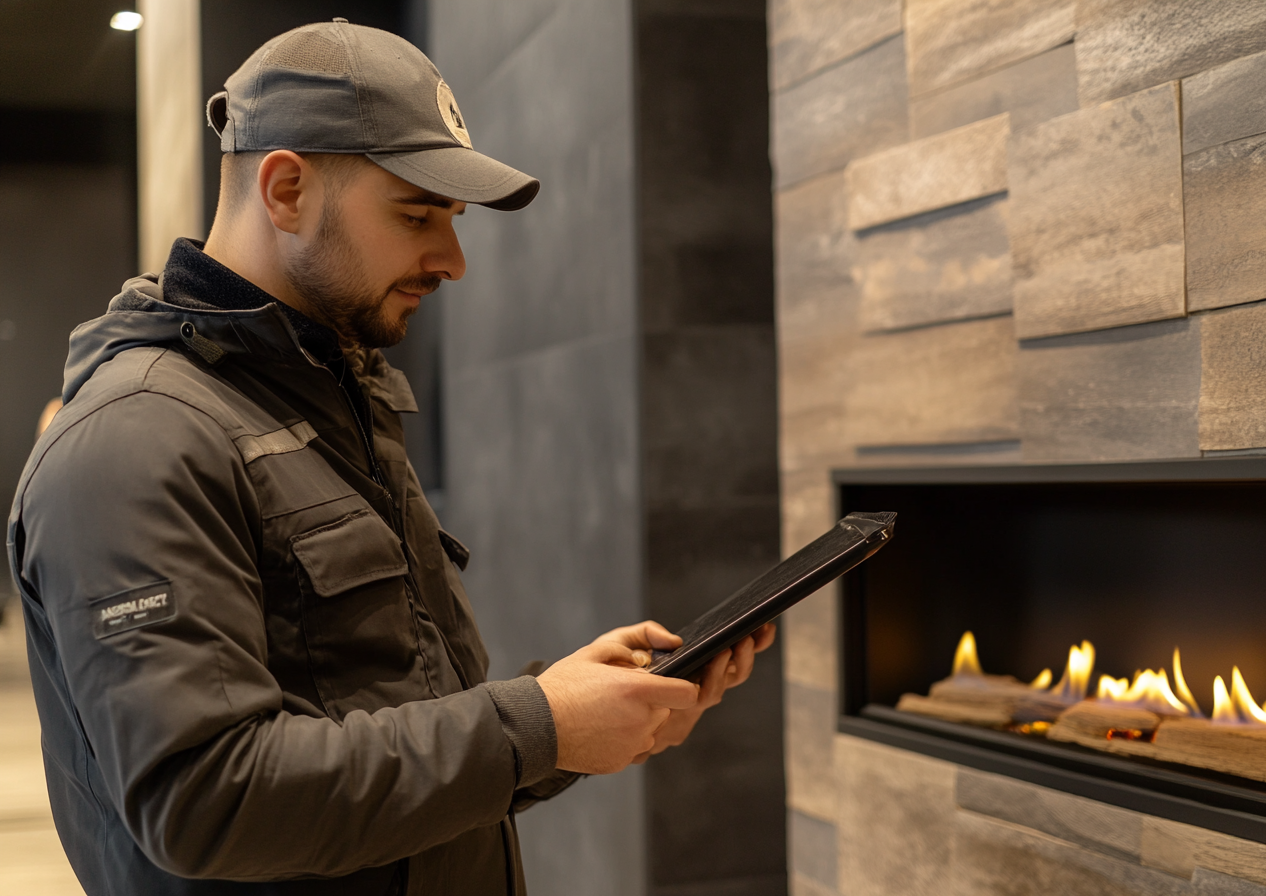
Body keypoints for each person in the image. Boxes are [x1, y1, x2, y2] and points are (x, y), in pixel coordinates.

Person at [6, 20, 773, 896]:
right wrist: (540, 726)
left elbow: (392, 740)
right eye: (416, 215)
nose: (451, 260)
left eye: (450, 218)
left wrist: (579, 713)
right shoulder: (133, 443)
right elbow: (203, 799)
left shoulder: (338, 397)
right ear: (286, 187)